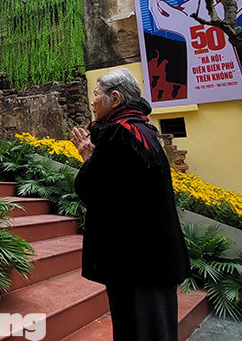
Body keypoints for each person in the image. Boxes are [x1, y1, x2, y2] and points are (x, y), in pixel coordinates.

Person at [70, 68, 189, 340]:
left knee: (137, 329)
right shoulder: (143, 130)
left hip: (136, 257)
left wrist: (89, 156)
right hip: (153, 253)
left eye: (97, 94)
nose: (93, 101)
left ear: (115, 98)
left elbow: (91, 187)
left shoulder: (120, 134)